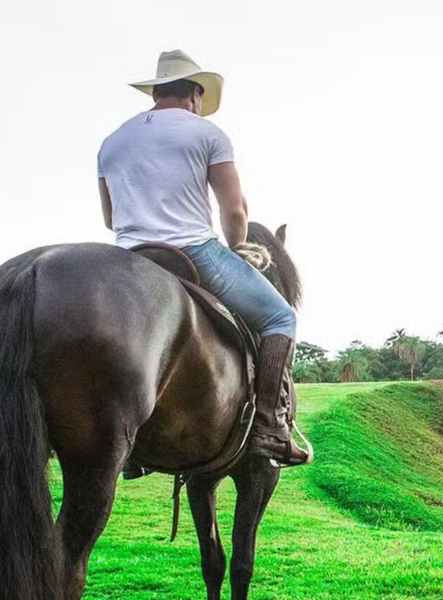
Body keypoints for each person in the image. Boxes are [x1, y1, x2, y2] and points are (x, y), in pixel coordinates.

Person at [97, 49, 309, 467]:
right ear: (195, 93)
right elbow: (234, 211)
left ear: (156, 92)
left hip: (131, 260)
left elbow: (110, 218)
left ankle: (131, 445)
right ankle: (269, 425)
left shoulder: (113, 141)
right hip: (193, 250)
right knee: (281, 318)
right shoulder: (205, 133)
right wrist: (237, 245)